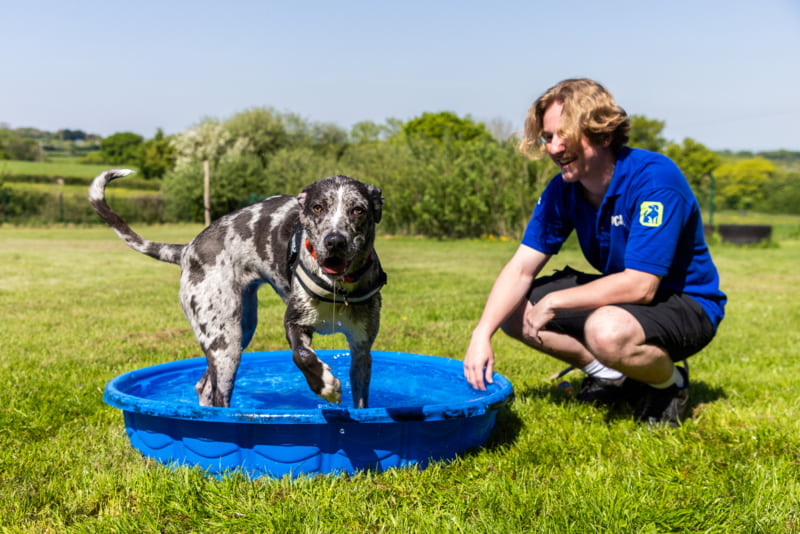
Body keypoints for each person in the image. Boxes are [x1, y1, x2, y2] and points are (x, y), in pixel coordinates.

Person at [463, 78, 726, 426]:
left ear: (601, 132)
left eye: (563, 135)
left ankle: (668, 386)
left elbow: (641, 286)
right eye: (547, 137)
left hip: (685, 303)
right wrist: (482, 333)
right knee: (512, 310)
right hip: (625, 296)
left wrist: (555, 301)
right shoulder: (563, 189)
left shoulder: (655, 180)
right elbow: (520, 268)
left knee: (607, 330)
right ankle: (609, 375)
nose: (553, 148)